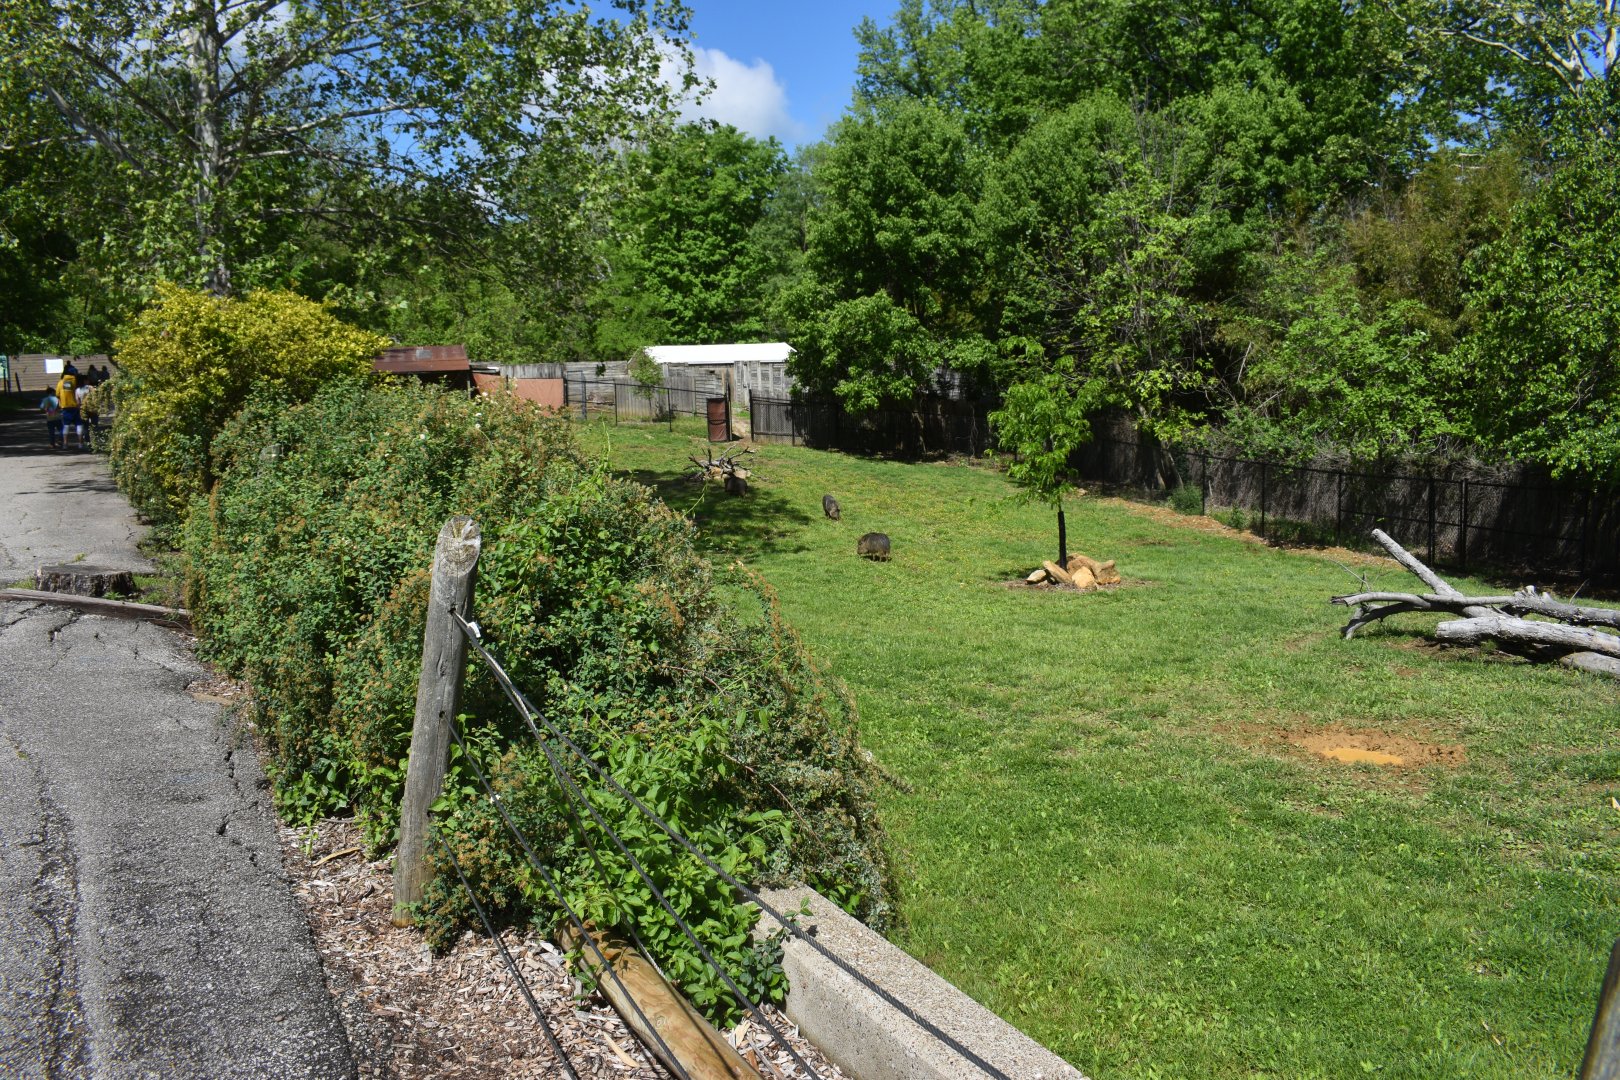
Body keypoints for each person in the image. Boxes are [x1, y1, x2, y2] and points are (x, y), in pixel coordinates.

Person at [56, 370, 81, 450]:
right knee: (79, 425)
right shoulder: (75, 381)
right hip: (75, 406)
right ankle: (80, 443)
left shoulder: (60, 382)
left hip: (65, 407)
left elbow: (57, 394)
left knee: (66, 426)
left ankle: (65, 443)